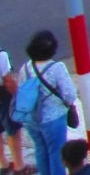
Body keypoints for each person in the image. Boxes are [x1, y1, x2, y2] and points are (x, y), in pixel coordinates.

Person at [19, 30, 77, 175]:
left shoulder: (25, 68)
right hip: (53, 119)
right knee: (56, 153)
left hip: (31, 119)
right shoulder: (56, 68)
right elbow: (69, 95)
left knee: (40, 149)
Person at [0, 47, 31, 175]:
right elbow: (8, 80)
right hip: (3, 96)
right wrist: (18, 97)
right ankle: (20, 167)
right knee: (13, 130)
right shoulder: (1, 55)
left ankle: (3, 164)